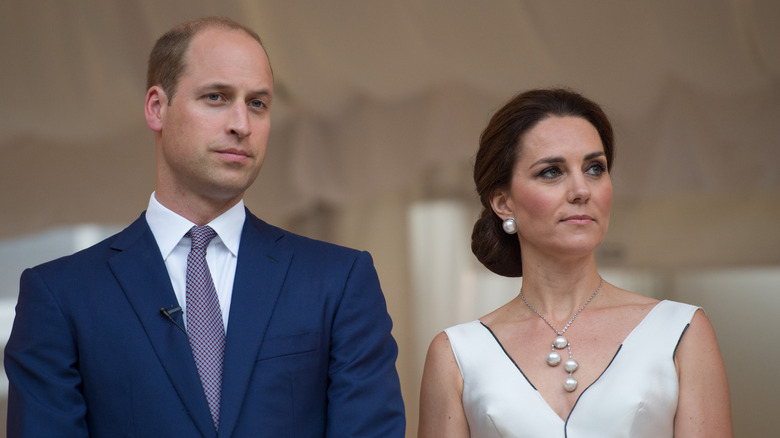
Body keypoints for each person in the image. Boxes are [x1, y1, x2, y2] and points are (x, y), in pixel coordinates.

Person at [4, 16, 405, 437]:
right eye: (216, 97)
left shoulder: (338, 281)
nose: (242, 125)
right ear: (157, 108)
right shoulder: (60, 295)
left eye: (258, 104)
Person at [417, 88, 732, 437]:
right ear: (503, 203)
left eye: (595, 168)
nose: (581, 190)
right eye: (552, 172)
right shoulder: (457, 355)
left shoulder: (682, 331)